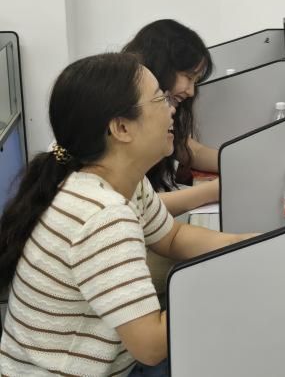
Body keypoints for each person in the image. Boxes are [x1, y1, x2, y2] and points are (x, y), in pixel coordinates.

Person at [0, 53, 254, 375]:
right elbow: (151, 347)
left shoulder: (122, 180)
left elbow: (173, 236)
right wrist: (228, 278)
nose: (172, 109)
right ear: (121, 128)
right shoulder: (101, 216)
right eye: (160, 99)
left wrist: (248, 245)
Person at [123, 19, 218, 216]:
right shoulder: (125, 114)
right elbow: (135, 206)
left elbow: (186, 148)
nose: (191, 91)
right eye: (188, 77)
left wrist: (235, 163)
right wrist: (213, 191)